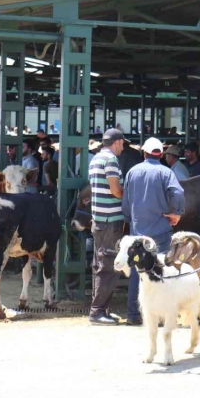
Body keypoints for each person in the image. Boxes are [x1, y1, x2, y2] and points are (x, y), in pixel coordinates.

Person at [122, 137, 185, 326]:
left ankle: (133, 314)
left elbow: (126, 203)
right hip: (160, 231)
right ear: (161, 154)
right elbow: (178, 193)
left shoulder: (132, 172)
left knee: (137, 271)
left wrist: (129, 220)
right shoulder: (166, 172)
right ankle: (161, 316)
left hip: (138, 233)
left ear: (144, 153)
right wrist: (177, 213)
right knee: (161, 271)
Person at [88, 129, 126, 326]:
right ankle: (97, 312)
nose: (123, 148)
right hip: (111, 220)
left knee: (100, 263)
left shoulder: (95, 159)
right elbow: (116, 191)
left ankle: (101, 309)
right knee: (109, 265)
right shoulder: (111, 161)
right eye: (123, 144)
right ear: (118, 142)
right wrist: (127, 192)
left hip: (99, 219)